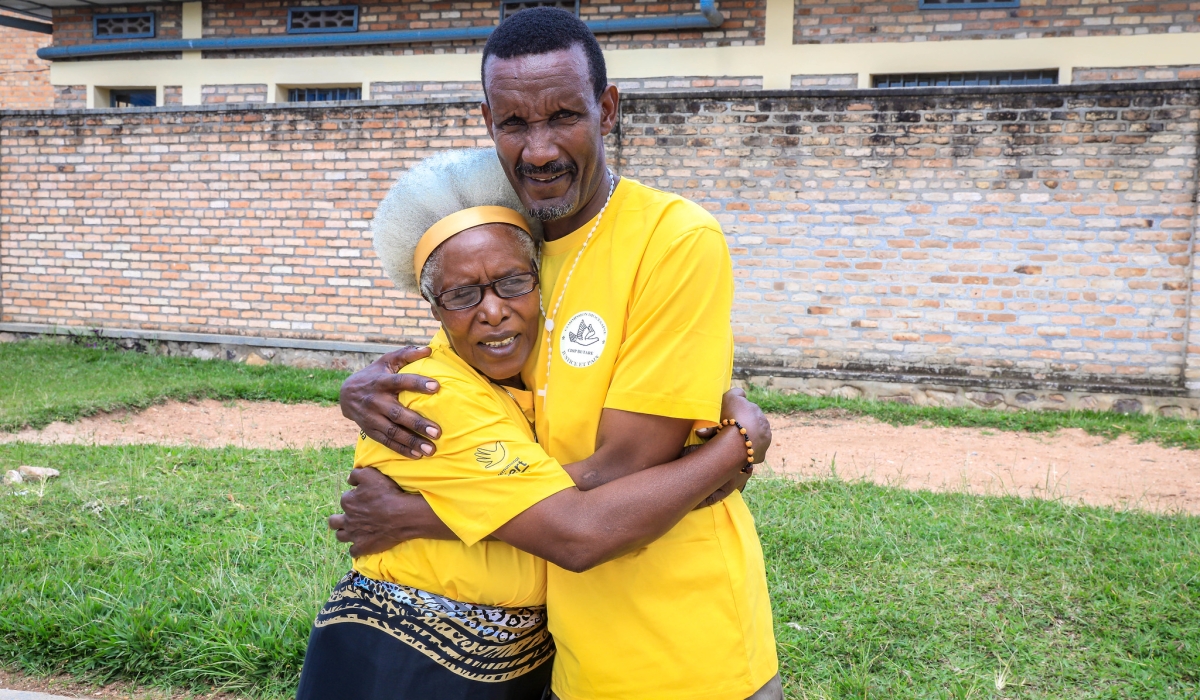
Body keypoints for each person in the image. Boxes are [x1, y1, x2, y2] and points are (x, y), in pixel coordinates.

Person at [332, 7, 782, 700]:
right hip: (567, 657)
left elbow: (624, 470)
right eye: (515, 124)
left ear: (606, 109)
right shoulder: (518, 247)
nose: (539, 150)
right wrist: (360, 387)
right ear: (489, 122)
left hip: (689, 654)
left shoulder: (673, 239)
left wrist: (429, 514)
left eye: (563, 117)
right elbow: (473, 371)